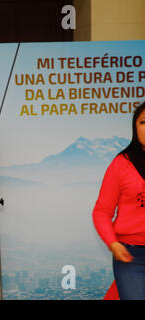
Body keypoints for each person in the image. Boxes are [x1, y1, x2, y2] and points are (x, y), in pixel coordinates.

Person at [92, 101, 145, 300]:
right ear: (135, 127)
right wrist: (112, 242)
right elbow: (101, 211)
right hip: (131, 255)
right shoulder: (121, 164)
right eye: (143, 122)